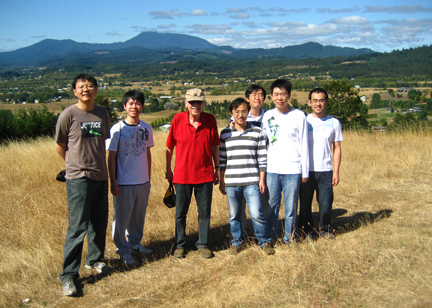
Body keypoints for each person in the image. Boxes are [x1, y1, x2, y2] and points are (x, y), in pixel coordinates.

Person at [55, 74, 111, 296]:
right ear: (75, 91)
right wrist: (73, 167)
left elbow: (100, 140)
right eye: (81, 87)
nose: (86, 89)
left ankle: (95, 260)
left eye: (90, 86)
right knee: (77, 227)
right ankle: (69, 276)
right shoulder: (68, 114)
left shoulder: (102, 113)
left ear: (96, 90)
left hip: (100, 175)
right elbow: (60, 145)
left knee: (98, 222)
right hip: (78, 178)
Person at [166, 88, 220, 259]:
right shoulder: (177, 119)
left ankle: (202, 243)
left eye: (199, 102)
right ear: (186, 104)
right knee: (180, 213)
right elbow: (169, 146)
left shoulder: (210, 120)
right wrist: (168, 169)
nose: (195, 105)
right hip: (182, 176)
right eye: (192, 102)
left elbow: (214, 146)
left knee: (204, 212)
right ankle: (180, 244)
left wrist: (217, 167)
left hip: (205, 174)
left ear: (204, 103)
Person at [219, 98, 275, 255]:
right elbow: (222, 159)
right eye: (236, 112)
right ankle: (236, 242)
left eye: (244, 111)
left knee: (257, 213)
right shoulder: (225, 133)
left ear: (248, 112)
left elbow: (262, 159)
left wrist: (262, 179)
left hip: (251, 181)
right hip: (231, 182)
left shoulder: (258, 133)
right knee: (234, 215)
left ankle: (265, 241)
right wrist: (221, 180)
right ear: (232, 113)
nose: (240, 115)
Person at [106, 90, 154, 267]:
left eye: (138, 103)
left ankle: (135, 243)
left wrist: (148, 177)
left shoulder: (146, 128)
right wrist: (114, 181)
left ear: (142, 106)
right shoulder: (116, 129)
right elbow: (111, 157)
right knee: (121, 218)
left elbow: (147, 153)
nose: (134, 106)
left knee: (138, 216)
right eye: (131, 103)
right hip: (124, 182)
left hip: (142, 181)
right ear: (125, 106)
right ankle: (122, 250)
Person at [261, 79, 309, 243]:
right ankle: (270, 236)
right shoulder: (268, 115)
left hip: (293, 169)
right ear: (272, 96)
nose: (279, 98)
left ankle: (290, 237)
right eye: (276, 94)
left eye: (283, 94)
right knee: (271, 206)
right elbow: (262, 140)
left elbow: (304, 143)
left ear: (289, 95)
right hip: (272, 169)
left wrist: (305, 170)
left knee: (290, 207)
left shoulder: (298, 115)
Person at [299, 88, 342, 240]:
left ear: (326, 102)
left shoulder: (334, 123)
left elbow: (336, 148)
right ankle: (307, 231)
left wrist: (336, 171)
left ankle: (325, 229)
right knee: (304, 205)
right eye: (315, 100)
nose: (318, 104)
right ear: (309, 102)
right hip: (306, 170)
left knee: (326, 203)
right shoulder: (304, 121)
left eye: (321, 100)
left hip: (326, 170)